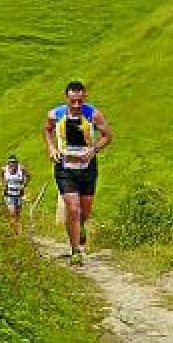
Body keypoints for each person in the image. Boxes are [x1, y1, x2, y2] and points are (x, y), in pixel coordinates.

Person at [44, 80, 112, 264]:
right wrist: (51, 148)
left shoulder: (93, 115)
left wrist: (93, 150)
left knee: (85, 210)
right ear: (66, 98)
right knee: (73, 208)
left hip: (87, 168)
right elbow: (47, 130)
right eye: (73, 101)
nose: (76, 105)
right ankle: (75, 251)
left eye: (80, 101)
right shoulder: (55, 114)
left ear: (84, 98)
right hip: (65, 168)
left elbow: (107, 136)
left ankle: (81, 225)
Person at [0, 154, 30, 234]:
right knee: (12, 212)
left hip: (19, 194)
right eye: (10, 162)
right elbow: (1, 176)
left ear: (17, 163)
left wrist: (24, 185)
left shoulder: (21, 169)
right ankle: (14, 229)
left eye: (14, 162)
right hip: (9, 194)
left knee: (18, 213)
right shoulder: (4, 169)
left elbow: (28, 176)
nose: (12, 164)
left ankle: (18, 230)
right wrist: (3, 185)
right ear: (8, 163)